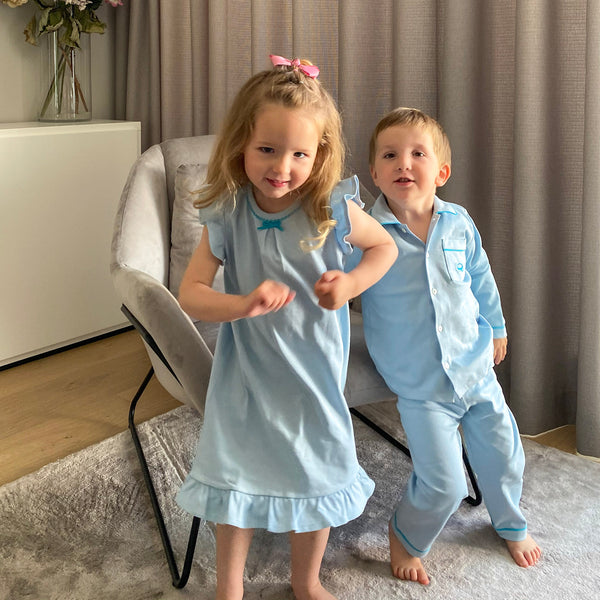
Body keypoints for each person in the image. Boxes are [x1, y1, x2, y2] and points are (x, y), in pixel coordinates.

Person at [175, 55, 398, 600]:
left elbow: (385, 248)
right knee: (235, 478)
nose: (282, 167)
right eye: (267, 150)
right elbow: (191, 294)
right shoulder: (227, 211)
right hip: (246, 377)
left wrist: (350, 284)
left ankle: (305, 580)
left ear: (319, 153)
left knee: (315, 476)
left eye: (299, 154)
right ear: (241, 145)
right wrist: (242, 303)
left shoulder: (330, 208)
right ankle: (229, 588)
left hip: (313, 375)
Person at [350, 107, 541, 585]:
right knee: (445, 483)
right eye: (390, 156)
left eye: (418, 154)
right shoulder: (365, 233)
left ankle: (509, 521)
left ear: (442, 172)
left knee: (505, 454)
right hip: (421, 386)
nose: (403, 163)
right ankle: (406, 535)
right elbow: (334, 275)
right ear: (374, 173)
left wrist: (497, 327)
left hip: (475, 367)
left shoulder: (458, 223)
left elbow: (480, 277)